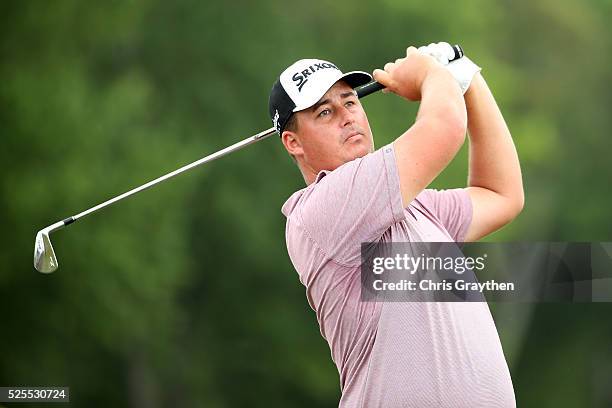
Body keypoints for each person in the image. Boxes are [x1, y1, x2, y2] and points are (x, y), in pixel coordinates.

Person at [268, 44, 524, 407]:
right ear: (293, 142)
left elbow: (501, 194)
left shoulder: (415, 207)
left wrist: (467, 79)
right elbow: (444, 128)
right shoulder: (319, 211)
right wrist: (429, 74)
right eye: (325, 112)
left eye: (351, 101)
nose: (347, 116)